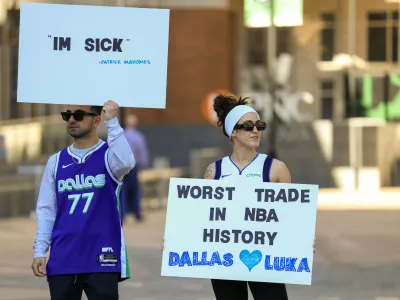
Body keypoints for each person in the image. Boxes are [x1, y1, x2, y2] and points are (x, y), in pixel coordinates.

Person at [203, 94, 317, 300]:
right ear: (234, 132)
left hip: (264, 256)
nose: (256, 130)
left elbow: (290, 214)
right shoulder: (214, 171)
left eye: (259, 125)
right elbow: (205, 219)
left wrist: (303, 237)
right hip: (225, 258)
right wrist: (177, 240)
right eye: (248, 126)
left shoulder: (276, 169)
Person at [31, 100, 136, 300]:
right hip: (63, 258)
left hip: (102, 256)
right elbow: (46, 210)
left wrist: (112, 122)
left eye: (78, 115)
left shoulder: (109, 157)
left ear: (96, 120)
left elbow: (127, 162)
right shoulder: (55, 161)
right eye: (67, 115)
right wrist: (39, 251)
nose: (71, 119)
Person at [122, 114, 149, 223]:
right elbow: (142, 152)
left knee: (122, 190)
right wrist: (144, 165)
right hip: (133, 166)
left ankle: (122, 215)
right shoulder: (138, 137)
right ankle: (136, 214)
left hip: (121, 166)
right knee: (135, 189)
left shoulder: (120, 135)